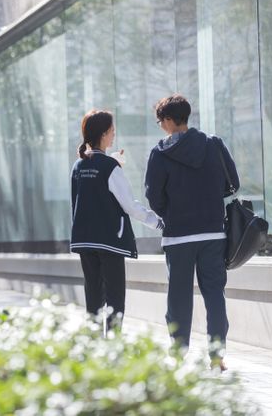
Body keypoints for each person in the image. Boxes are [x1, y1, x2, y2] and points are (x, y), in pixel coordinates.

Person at [144, 94, 239, 369]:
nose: (160, 125)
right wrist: (209, 199)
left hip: (178, 236)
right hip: (212, 233)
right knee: (214, 295)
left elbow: (153, 196)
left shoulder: (160, 153)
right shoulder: (214, 145)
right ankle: (217, 355)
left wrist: (171, 212)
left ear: (171, 120)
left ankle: (178, 352)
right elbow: (233, 183)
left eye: (161, 120)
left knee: (179, 297)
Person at [71, 109, 164, 332]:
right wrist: (156, 222)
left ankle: (93, 346)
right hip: (110, 241)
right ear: (103, 134)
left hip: (85, 240)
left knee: (93, 295)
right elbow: (129, 205)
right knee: (115, 298)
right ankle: (113, 347)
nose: (114, 135)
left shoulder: (78, 166)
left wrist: (112, 162)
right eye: (112, 131)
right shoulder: (110, 167)